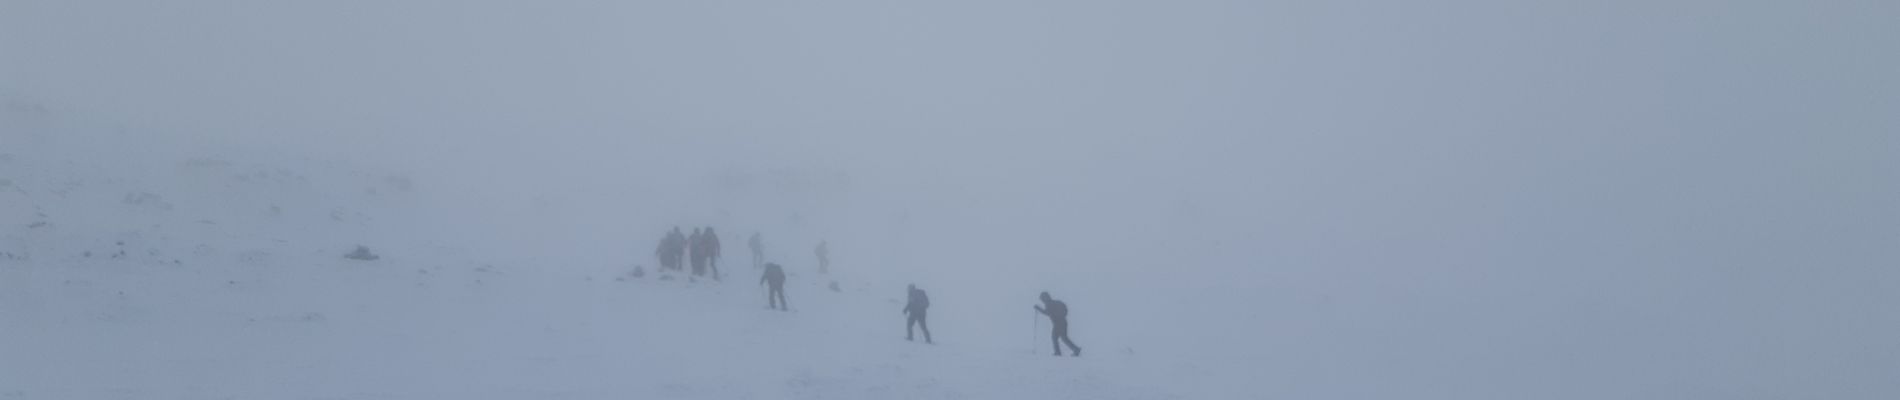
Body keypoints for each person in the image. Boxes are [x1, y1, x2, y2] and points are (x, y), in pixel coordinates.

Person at [1035, 291, 1081, 357]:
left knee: (1055, 337)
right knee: (1063, 338)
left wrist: (1038, 308)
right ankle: (1075, 349)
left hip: (1058, 323)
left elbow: (1047, 313)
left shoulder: (1049, 304)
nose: (1042, 301)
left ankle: (1058, 352)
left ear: (1045, 298)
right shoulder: (1054, 302)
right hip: (1063, 322)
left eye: (1042, 299)